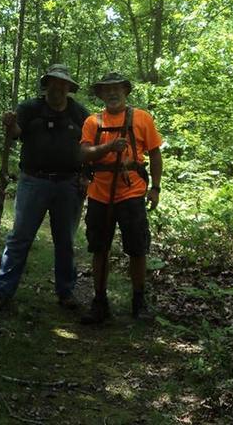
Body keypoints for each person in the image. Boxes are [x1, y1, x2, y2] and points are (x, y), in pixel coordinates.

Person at [0, 64, 90, 310]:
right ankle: (2, 291)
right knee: (20, 237)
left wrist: (88, 176)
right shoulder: (30, 108)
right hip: (33, 181)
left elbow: (90, 147)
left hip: (69, 184)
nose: (58, 87)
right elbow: (16, 133)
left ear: (69, 87)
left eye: (63, 84)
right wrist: (10, 124)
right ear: (46, 84)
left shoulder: (80, 114)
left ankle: (66, 292)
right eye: (53, 83)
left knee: (65, 240)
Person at [79, 72, 163, 324]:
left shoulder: (142, 118)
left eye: (117, 88)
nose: (113, 93)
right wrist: (108, 147)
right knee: (99, 249)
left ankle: (139, 301)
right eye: (107, 90)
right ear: (101, 95)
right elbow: (84, 155)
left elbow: (155, 154)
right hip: (99, 194)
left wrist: (155, 188)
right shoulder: (92, 122)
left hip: (132, 192)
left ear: (125, 91)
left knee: (137, 249)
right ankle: (100, 302)